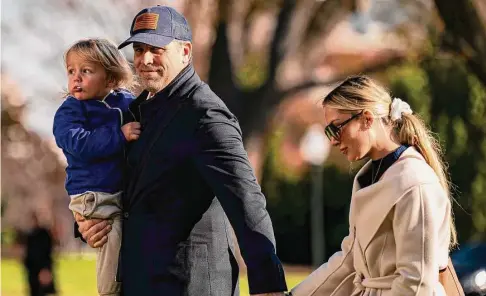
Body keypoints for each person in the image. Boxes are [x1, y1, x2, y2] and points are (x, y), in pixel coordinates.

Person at [74, 5, 288, 296]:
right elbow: (122, 185)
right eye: (138, 49)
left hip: (190, 287)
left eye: (156, 48)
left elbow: (247, 202)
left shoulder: (206, 115)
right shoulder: (138, 110)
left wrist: (269, 285)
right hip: (141, 283)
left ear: (185, 52)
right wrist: (88, 220)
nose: (145, 59)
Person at [289, 75, 457, 296]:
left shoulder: (414, 182)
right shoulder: (372, 178)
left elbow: (416, 285)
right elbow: (348, 262)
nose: (333, 140)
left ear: (367, 119)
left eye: (336, 128)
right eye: (329, 132)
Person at [53, 38, 140, 296]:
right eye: (71, 71)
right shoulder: (70, 111)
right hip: (94, 196)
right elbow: (79, 143)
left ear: (111, 79)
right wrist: (119, 134)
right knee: (112, 249)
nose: (76, 78)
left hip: (116, 191)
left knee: (127, 246)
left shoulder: (126, 102)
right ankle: (109, 292)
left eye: (86, 71)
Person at [22, 213, 57, 296]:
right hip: (32, 270)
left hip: (42, 269)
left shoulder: (43, 235)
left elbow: (47, 252)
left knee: (43, 291)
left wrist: (45, 268)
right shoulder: (30, 235)